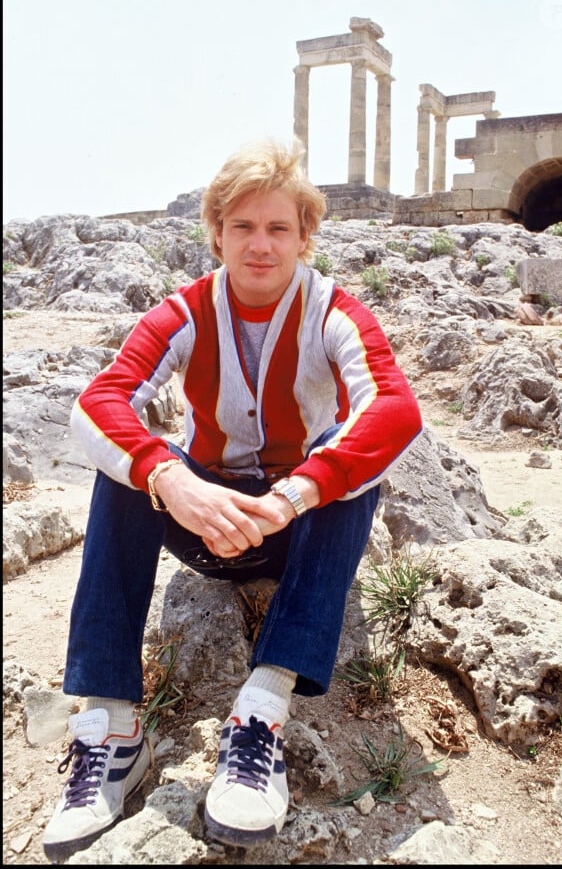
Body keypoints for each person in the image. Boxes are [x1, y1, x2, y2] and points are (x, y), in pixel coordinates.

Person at [42, 138, 423, 861]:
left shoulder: (335, 312)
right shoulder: (183, 311)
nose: (259, 245)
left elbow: (396, 410)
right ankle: (114, 727)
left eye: (279, 228)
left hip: (295, 529)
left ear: (305, 237)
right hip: (206, 519)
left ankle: (262, 710)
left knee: (351, 464)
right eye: (242, 227)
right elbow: (102, 400)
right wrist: (171, 479)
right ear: (215, 231)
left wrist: (295, 494)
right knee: (127, 462)